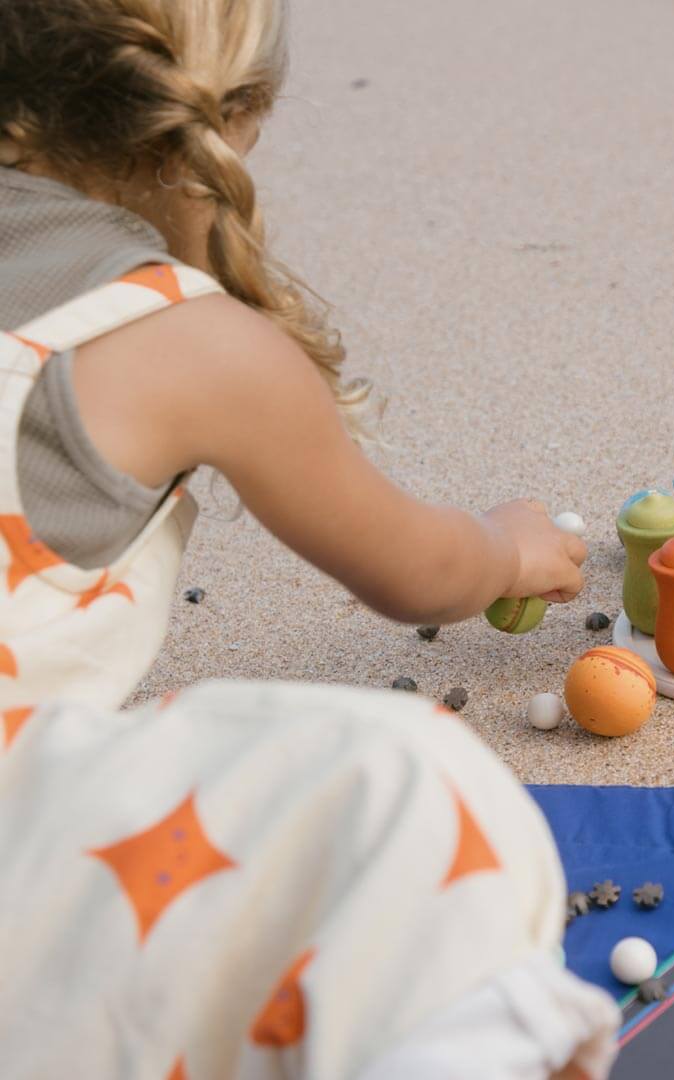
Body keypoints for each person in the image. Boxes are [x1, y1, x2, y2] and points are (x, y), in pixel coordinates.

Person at [0, 1, 620, 1076]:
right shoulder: (188, 341)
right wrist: (507, 550)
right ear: (231, 117)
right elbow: (417, 571)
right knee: (406, 785)